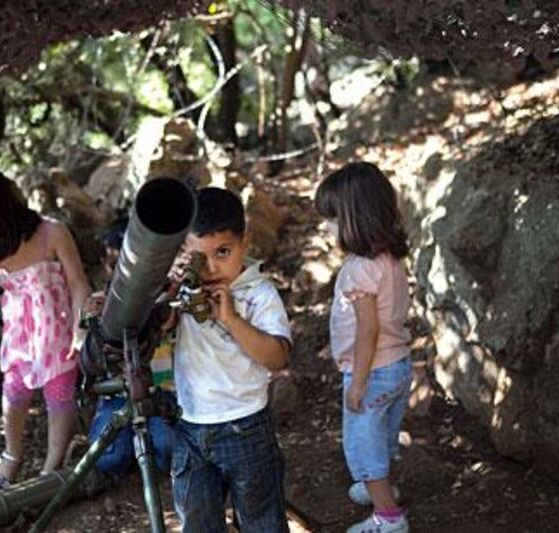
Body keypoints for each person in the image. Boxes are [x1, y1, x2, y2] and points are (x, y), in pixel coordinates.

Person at [0, 163, 91, 490]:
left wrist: (81, 328)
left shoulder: (52, 233)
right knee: (13, 393)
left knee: (60, 396)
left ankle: (53, 464)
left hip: (59, 335)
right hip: (20, 339)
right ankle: (12, 454)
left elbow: (79, 283)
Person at [168, 187, 291, 532]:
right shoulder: (184, 291)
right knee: (197, 519)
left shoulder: (258, 294)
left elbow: (278, 357)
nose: (211, 267)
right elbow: (157, 327)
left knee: (261, 519)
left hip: (246, 425)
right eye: (199, 257)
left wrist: (233, 320)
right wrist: (170, 289)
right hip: (190, 424)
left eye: (223, 252)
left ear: (245, 243)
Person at [314, 162, 412, 533]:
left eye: (332, 219)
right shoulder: (390, 259)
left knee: (362, 442)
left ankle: (388, 516)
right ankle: (382, 488)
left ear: (355, 218)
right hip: (399, 365)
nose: (327, 228)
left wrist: (358, 382)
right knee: (381, 434)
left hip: (372, 370)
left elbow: (367, 329)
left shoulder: (357, 270)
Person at [84, 217, 174, 476]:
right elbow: (87, 358)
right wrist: (93, 322)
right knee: (107, 459)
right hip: (116, 398)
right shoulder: (99, 303)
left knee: (167, 450)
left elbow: (168, 320)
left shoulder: (163, 299)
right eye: (114, 265)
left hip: (159, 393)